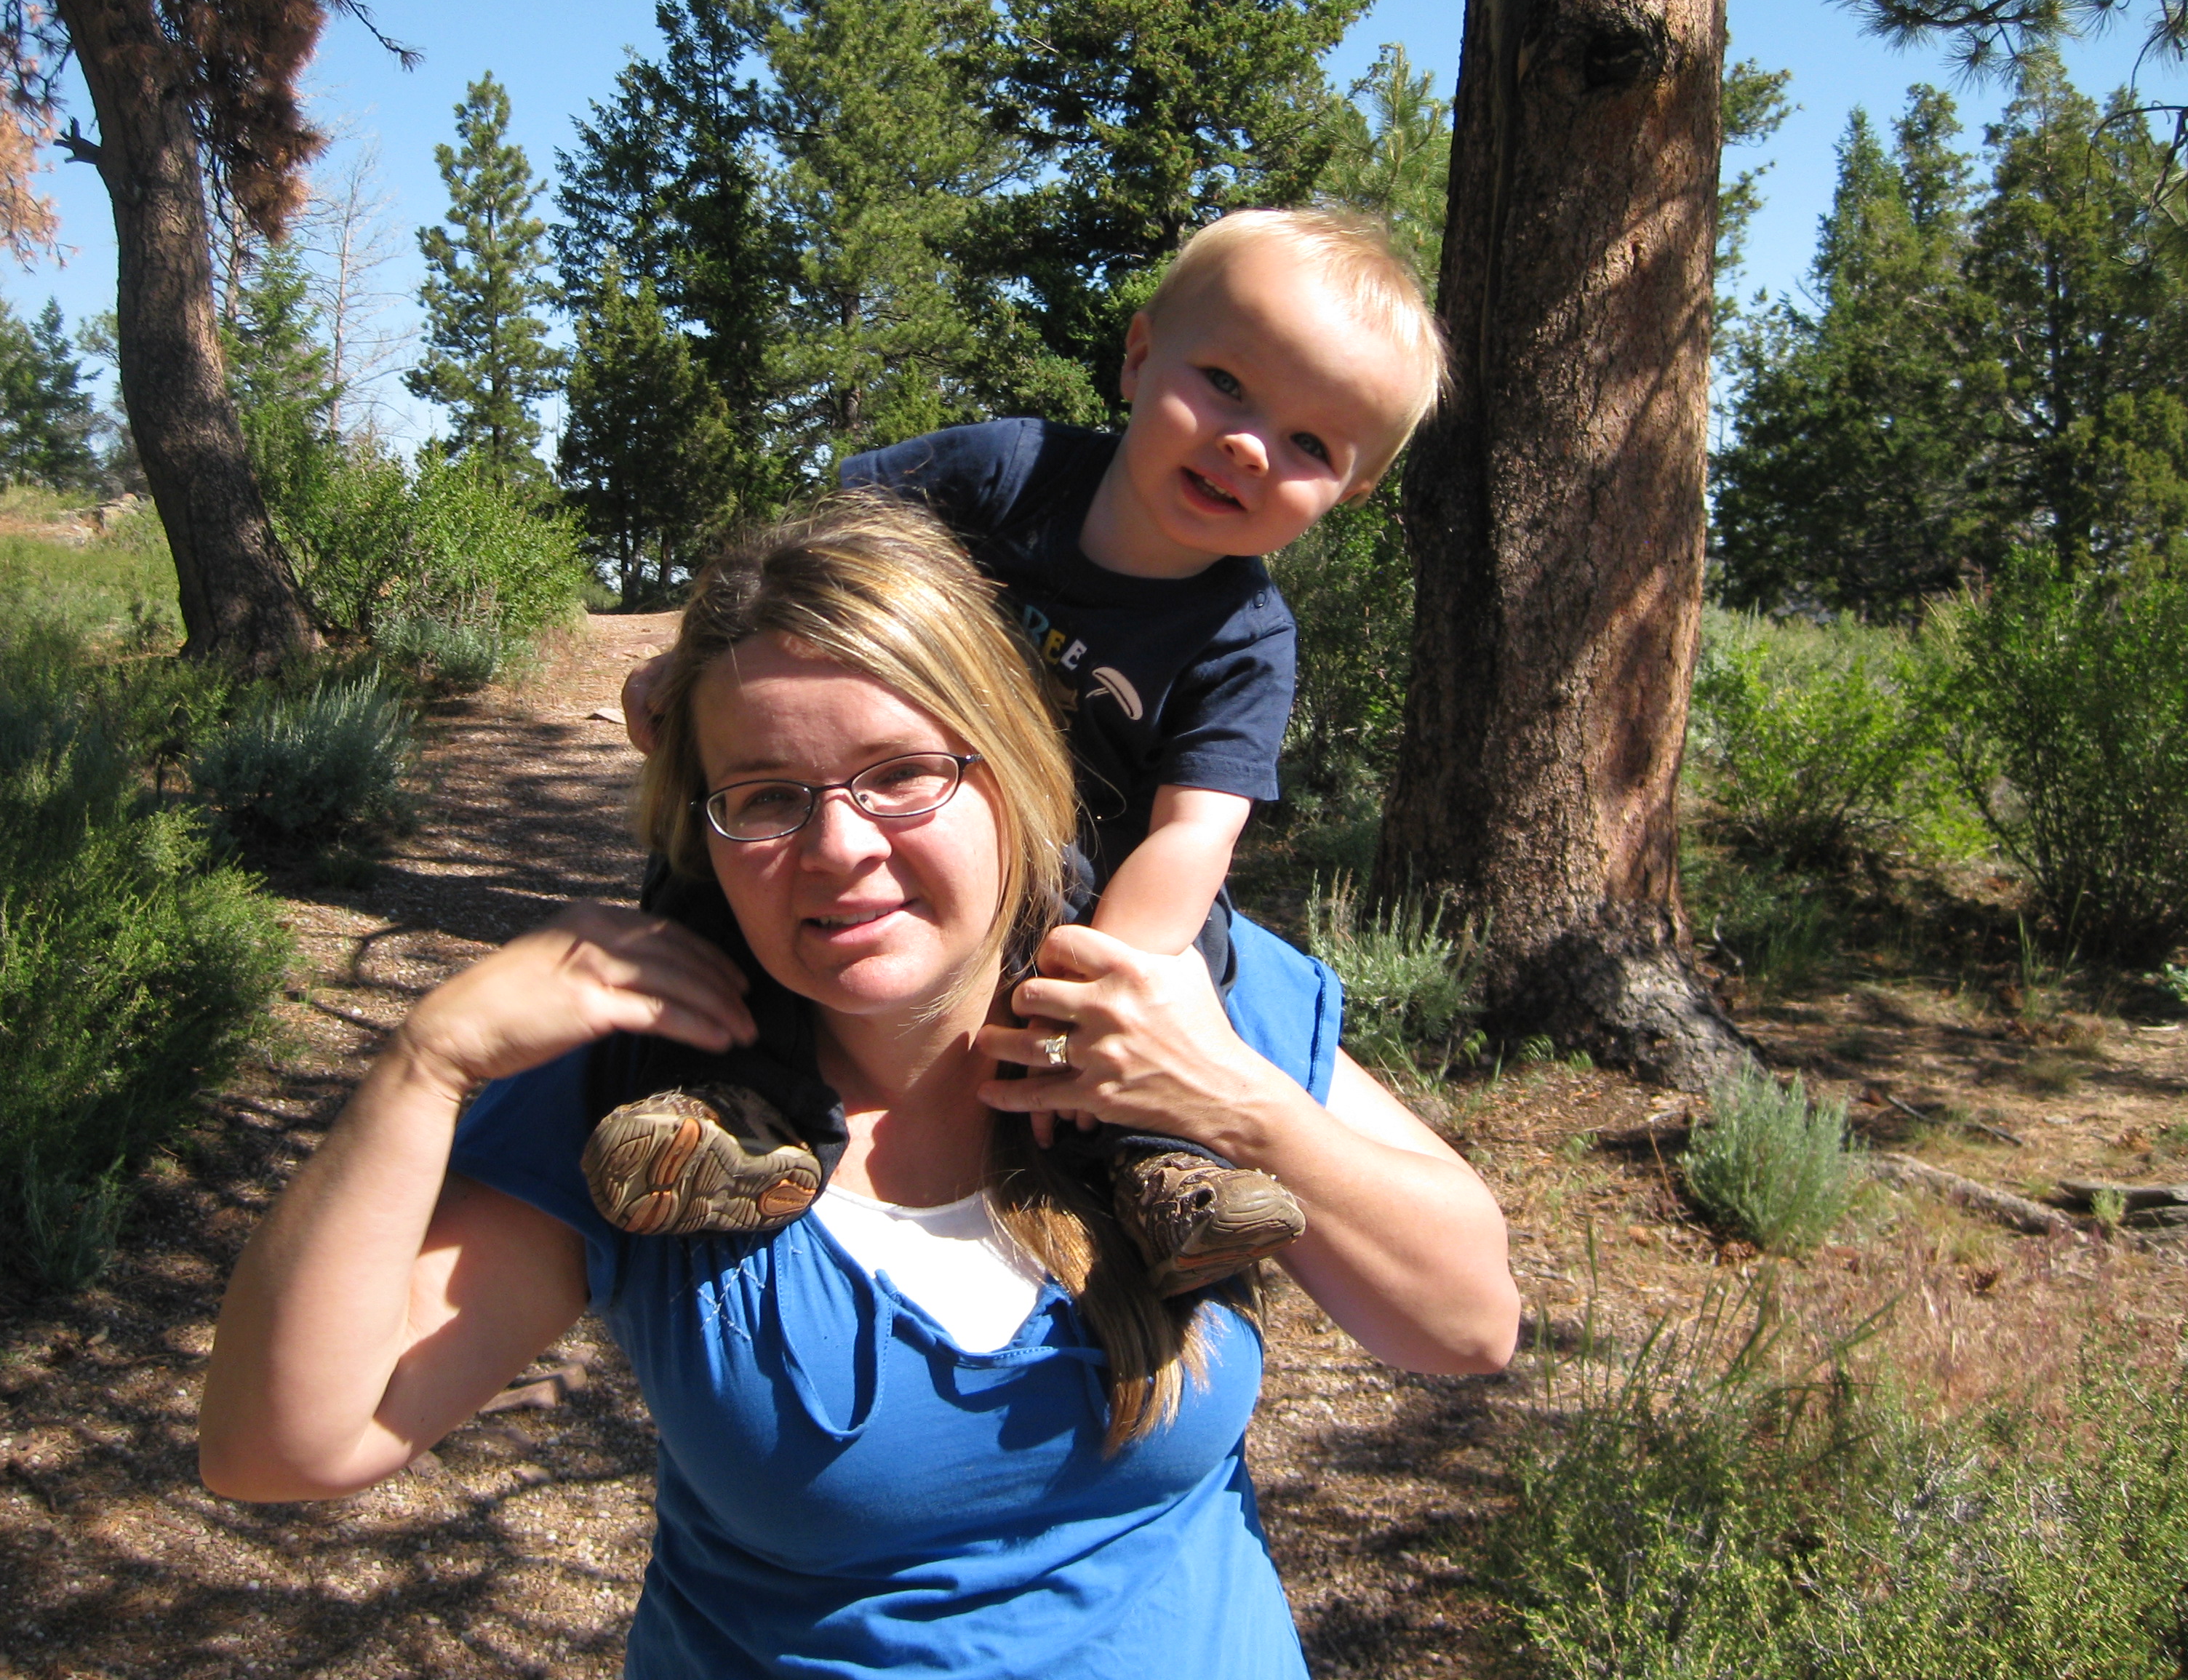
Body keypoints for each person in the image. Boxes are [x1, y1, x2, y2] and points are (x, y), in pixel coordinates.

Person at [197, 499, 1517, 1679]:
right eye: (765, 798)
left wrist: (1234, 1098)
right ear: (702, 835)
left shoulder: (1177, 1001)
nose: (838, 851)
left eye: (902, 775)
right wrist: (426, 1067)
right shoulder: (649, 1083)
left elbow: (1466, 1326)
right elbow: (285, 1448)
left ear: (1010, 771)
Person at [593, 207, 1448, 1296]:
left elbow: (1195, 832)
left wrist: (1101, 990)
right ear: (1140, 358)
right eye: (1228, 384)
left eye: (1311, 445)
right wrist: (698, 664)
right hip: (911, 805)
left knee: (1198, 957)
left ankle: (1161, 1173)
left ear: (1351, 492)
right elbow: (814, 560)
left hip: (1088, 872)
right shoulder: (1010, 474)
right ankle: (712, 1105)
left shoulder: (1246, 636)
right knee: (720, 851)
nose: (1248, 444)